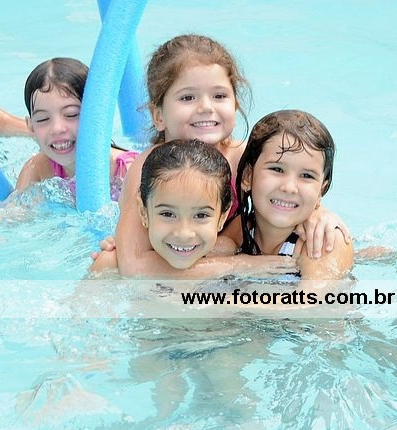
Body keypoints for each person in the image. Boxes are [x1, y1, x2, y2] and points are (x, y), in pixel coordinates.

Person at [111, 34, 349, 277]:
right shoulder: (147, 169)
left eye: (219, 96)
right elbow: (134, 266)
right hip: (174, 249)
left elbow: (290, 187)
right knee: (108, 260)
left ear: (235, 104)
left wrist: (318, 215)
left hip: (209, 249)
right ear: (158, 115)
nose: (206, 107)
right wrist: (237, 265)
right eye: (187, 97)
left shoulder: (241, 159)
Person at [91, 138, 298, 278]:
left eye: (200, 215)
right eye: (167, 214)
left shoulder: (230, 253)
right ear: (143, 212)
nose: (184, 234)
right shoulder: (110, 267)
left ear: (222, 217)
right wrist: (237, 266)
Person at [222, 109, 353, 279]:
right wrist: (238, 264)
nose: (290, 188)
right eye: (277, 169)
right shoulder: (243, 230)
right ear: (248, 176)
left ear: (320, 190)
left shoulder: (324, 241)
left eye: (307, 176)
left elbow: (316, 296)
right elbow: (195, 266)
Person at [15, 57, 138, 200]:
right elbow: (13, 211)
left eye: (71, 114)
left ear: (96, 117)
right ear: (31, 127)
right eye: (43, 119)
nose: (57, 128)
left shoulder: (129, 172)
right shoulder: (38, 169)